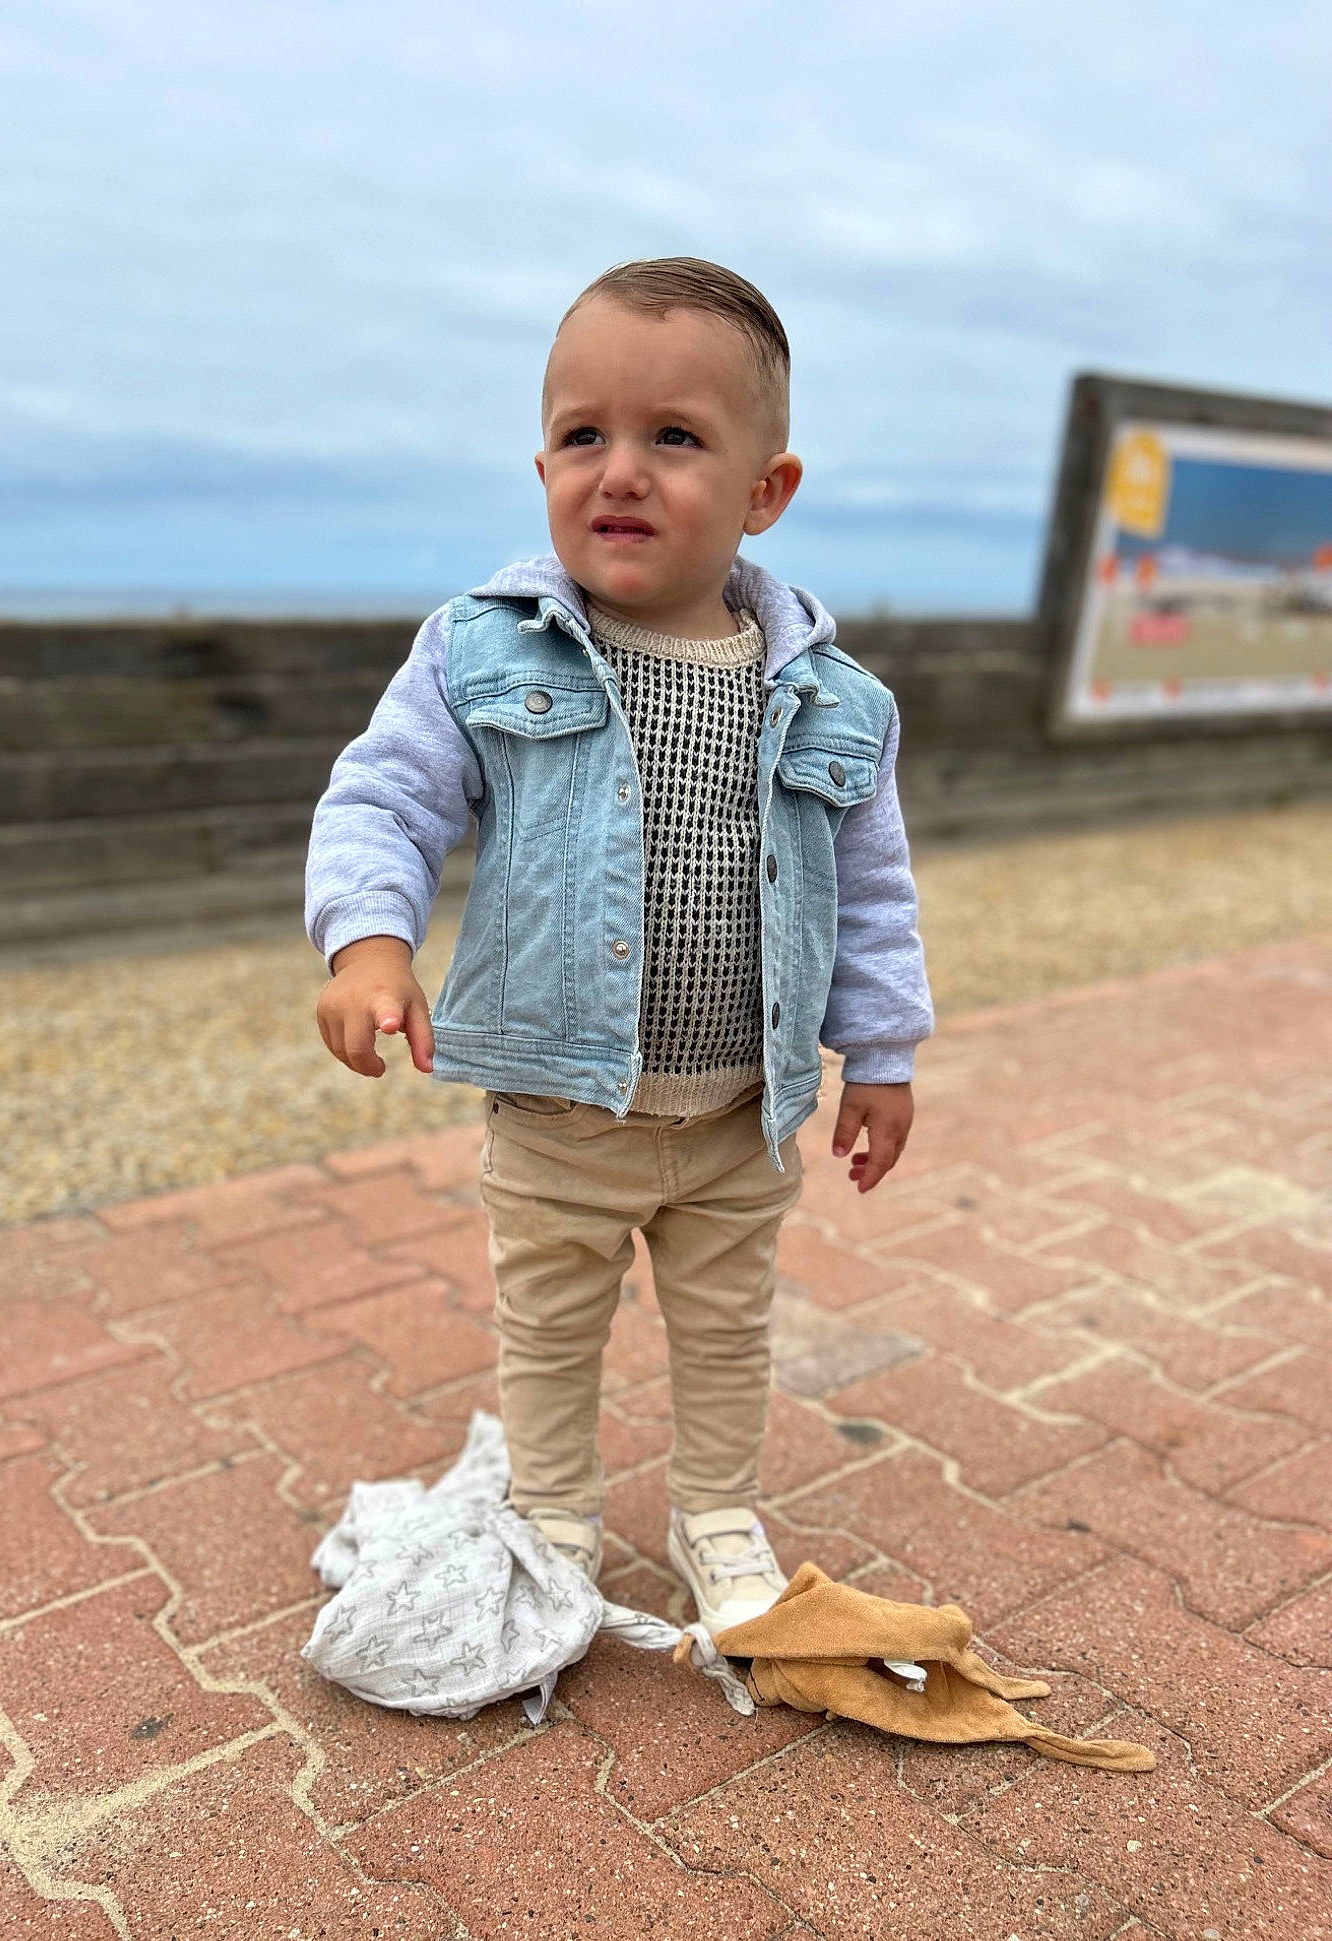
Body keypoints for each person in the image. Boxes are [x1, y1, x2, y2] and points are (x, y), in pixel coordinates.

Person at [306, 257, 933, 1633]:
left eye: (676, 439)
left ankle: (714, 1510)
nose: (623, 472)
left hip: (739, 1116)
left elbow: (873, 889)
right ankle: (552, 1519)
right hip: (554, 1112)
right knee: (549, 1330)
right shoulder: (485, 649)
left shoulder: (836, 698)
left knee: (726, 1330)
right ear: (541, 463)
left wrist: (881, 1051)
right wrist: (368, 941)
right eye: (585, 435)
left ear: (766, 491)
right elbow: (386, 797)